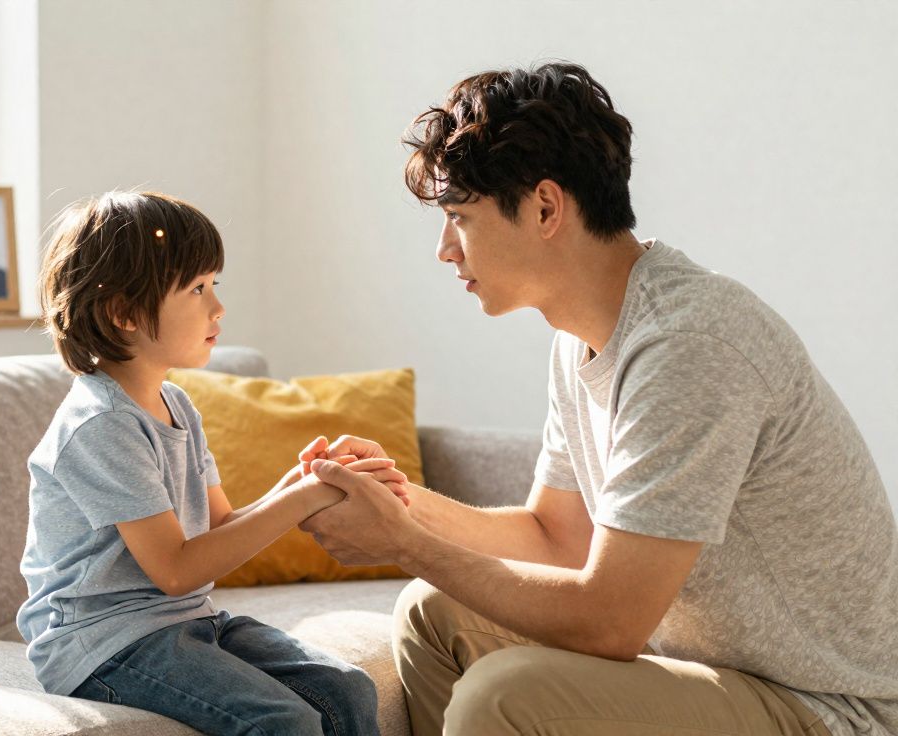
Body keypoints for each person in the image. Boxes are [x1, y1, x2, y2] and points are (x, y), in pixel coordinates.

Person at [298, 62, 897, 736]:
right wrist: (396, 501)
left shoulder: (690, 342)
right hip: (712, 674)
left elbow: (611, 621)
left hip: (825, 707)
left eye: (459, 218)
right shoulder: (579, 338)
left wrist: (404, 543)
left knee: (502, 694)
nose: (444, 250)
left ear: (546, 208)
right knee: (432, 614)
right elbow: (557, 537)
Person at [18, 191, 394, 735]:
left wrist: (307, 481)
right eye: (196, 289)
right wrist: (304, 499)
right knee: (280, 720)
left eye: (214, 284)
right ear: (123, 312)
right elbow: (176, 571)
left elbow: (219, 528)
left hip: (184, 622)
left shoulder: (178, 405)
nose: (218, 307)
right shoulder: (101, 425)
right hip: (102, 643)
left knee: (347, 688)